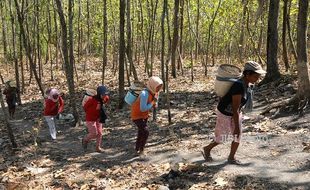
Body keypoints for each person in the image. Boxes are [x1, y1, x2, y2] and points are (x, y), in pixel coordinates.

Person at [202, 61, 266, 165]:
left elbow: (237, 108)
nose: (257, 79)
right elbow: (234, 108)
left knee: (238, 136)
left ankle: (231, 157)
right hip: (225, 113)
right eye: (256, 76)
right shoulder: (238, 86)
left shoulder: (247, 84)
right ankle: (207, 149)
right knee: (223, 136)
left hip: (236, 112)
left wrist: (237, 127)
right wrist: (236, 126)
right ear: (247, 74)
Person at [131, 76, 163, 155]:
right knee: (145, 132)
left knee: (141, 132)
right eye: (157, 87)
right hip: (136, 115)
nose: (158, 89)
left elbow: (155, 104)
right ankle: (141, 150)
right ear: (152, 85)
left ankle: (137, 149)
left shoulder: (154, 92)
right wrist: (153, 103)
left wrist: (155, 102)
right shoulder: (144, 94)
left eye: (160, 87)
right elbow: (143, 108)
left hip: (144, 116)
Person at [82, 85, 110, 153]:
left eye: (104, 95)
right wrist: (90, 112)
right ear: (99, 94)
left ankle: (98, 147)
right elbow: (85, 107)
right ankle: (85, 139)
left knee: (100, 133)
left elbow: (106, 99)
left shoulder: (103, 98)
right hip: (90, 118)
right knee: (94, 133)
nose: (104, 96)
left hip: (98, 117)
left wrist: (105, 98)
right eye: (102, 95)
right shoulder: (92, 99)